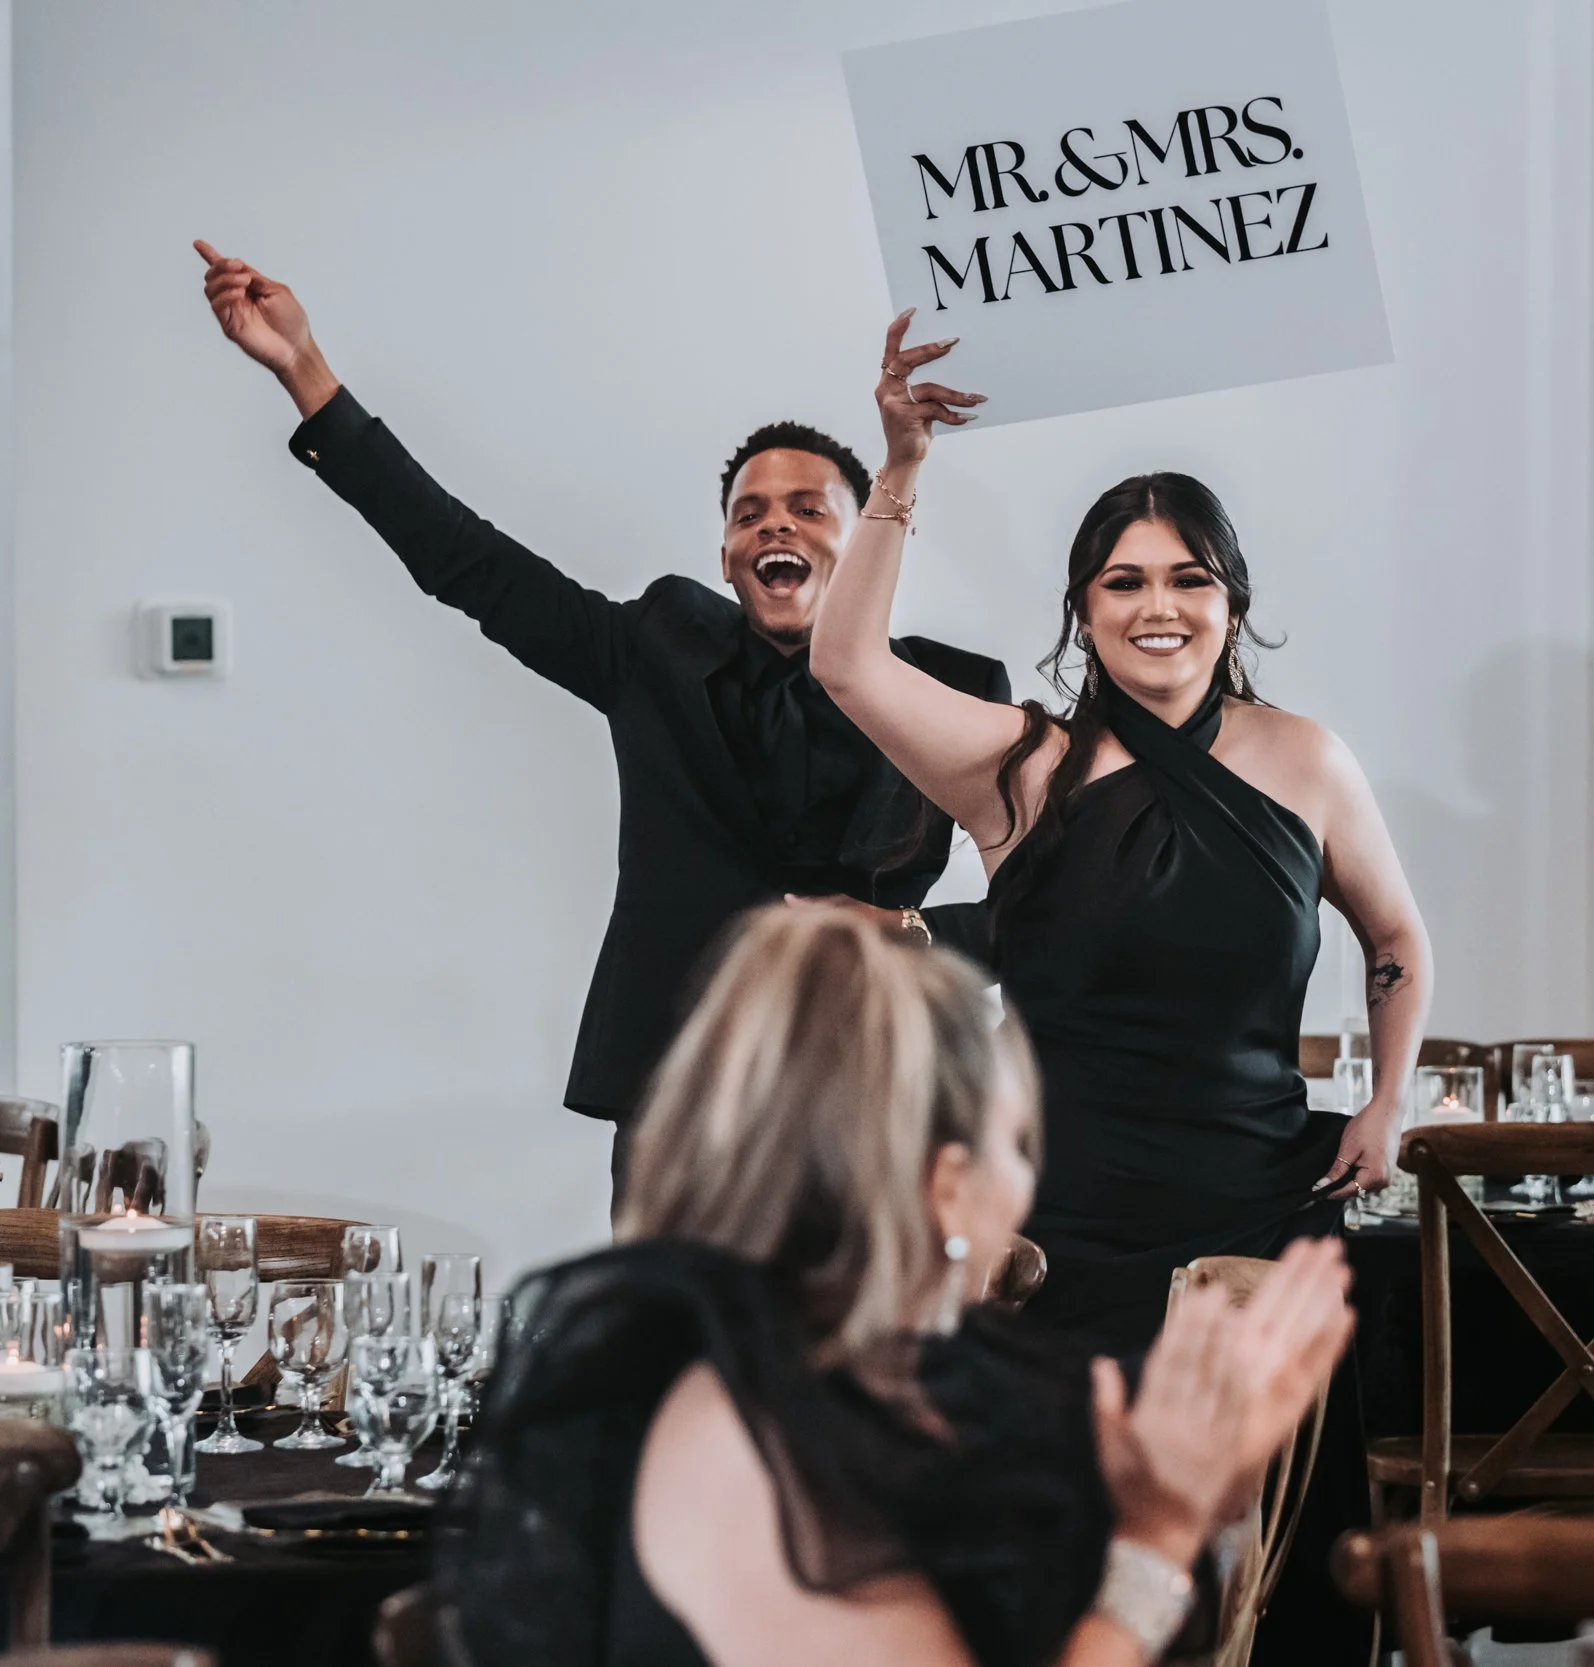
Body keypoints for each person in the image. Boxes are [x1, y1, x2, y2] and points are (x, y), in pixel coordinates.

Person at [195, 245, 1008, 1194]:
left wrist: (904, 929)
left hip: (876, 1098)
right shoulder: (654, 650)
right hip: (680, 1102)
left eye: (806, 509)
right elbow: (465, 557)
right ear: (726, 554)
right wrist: (303, 367)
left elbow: (1052, 910)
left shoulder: (954, 692)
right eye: (749, 514)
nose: (775, 526)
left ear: (865, 533)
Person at [438, 906, 1355, 1667]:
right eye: (1017, 1145)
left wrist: (1161, 1490)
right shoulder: (747, 1439)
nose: (1029, 1182)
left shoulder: (878, 1378)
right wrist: (1158, 1536)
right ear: (946, 1186)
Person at [807, 315, 1433, 1355]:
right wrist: (902, 466)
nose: (1159, 607)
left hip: (1263, 1221)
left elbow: (1397, 939)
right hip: (1061, 1233)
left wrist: (1387, 1099)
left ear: (1231, 602)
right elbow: (845, 665)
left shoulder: (1308, 760)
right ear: (1084, 610)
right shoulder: (1022, 765)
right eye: (1125, 581)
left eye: (1190, 578)